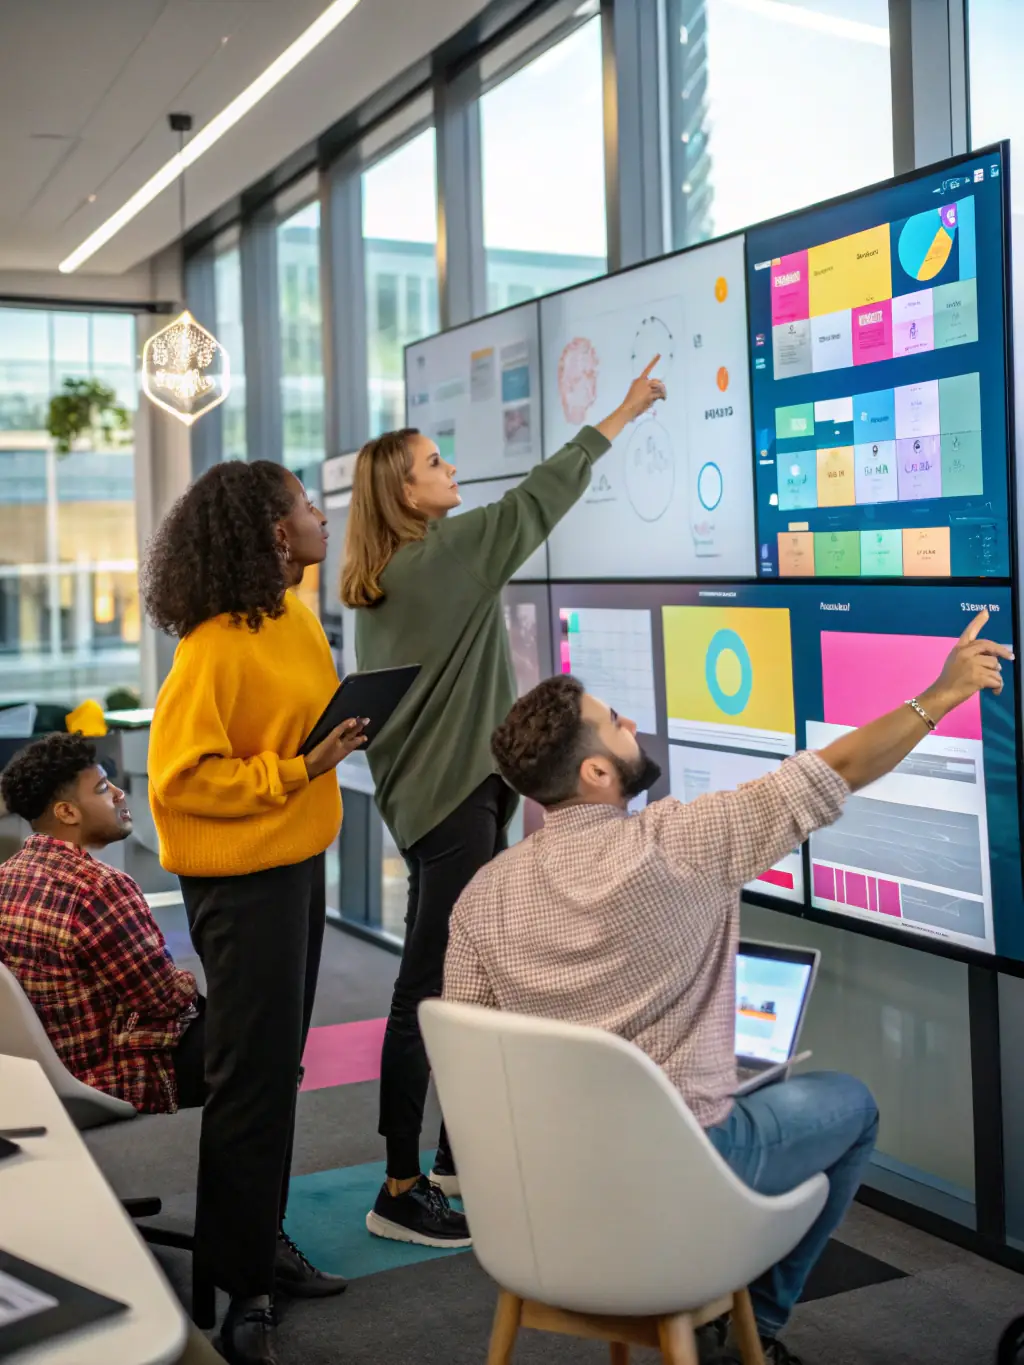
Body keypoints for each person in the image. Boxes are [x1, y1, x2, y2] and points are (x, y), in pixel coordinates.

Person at [442, 611, 1011, 1365]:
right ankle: (753, 1332)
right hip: (682, 1183)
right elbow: (836, 768)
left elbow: (467, 1057)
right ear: (596, 773)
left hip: (540, 1204)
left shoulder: (483, 894)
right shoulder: (681, 843)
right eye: (614, 722)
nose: (632, 721)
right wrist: (941, 694)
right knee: (852, 1105)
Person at [341, 359, 667, 1247]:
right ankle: (401, 1185)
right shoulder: (444, 556)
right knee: (431, 991)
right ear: (406, 496)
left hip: (437, 798)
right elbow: (537, 500)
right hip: (455, 804)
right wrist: (624, 411)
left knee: (464, 979)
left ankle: (452, 1160)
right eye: (435, 463)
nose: (451, 471)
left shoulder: (390, 576)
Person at [144, 461, 367, 1365]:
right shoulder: (214, 644)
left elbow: (298, 732)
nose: (321, 518)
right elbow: (180, 776)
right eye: (309, 507)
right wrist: (299, 771)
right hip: (240, 879)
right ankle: (241, 1293)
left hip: (296, 859)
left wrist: (339, 738)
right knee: (250, 1078)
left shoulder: (296, 618)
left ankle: (259, 1246)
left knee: (280, 1069)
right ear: (276, 532)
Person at [0, 732, 202, 1112]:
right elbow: (163, 999)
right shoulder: (99, 889)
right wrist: (188, 981)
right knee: (259, 1056)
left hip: (37, 1067)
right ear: (67, 812)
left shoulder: (6, 877)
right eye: (103, 788)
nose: (120, 795)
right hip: (110, 1070)